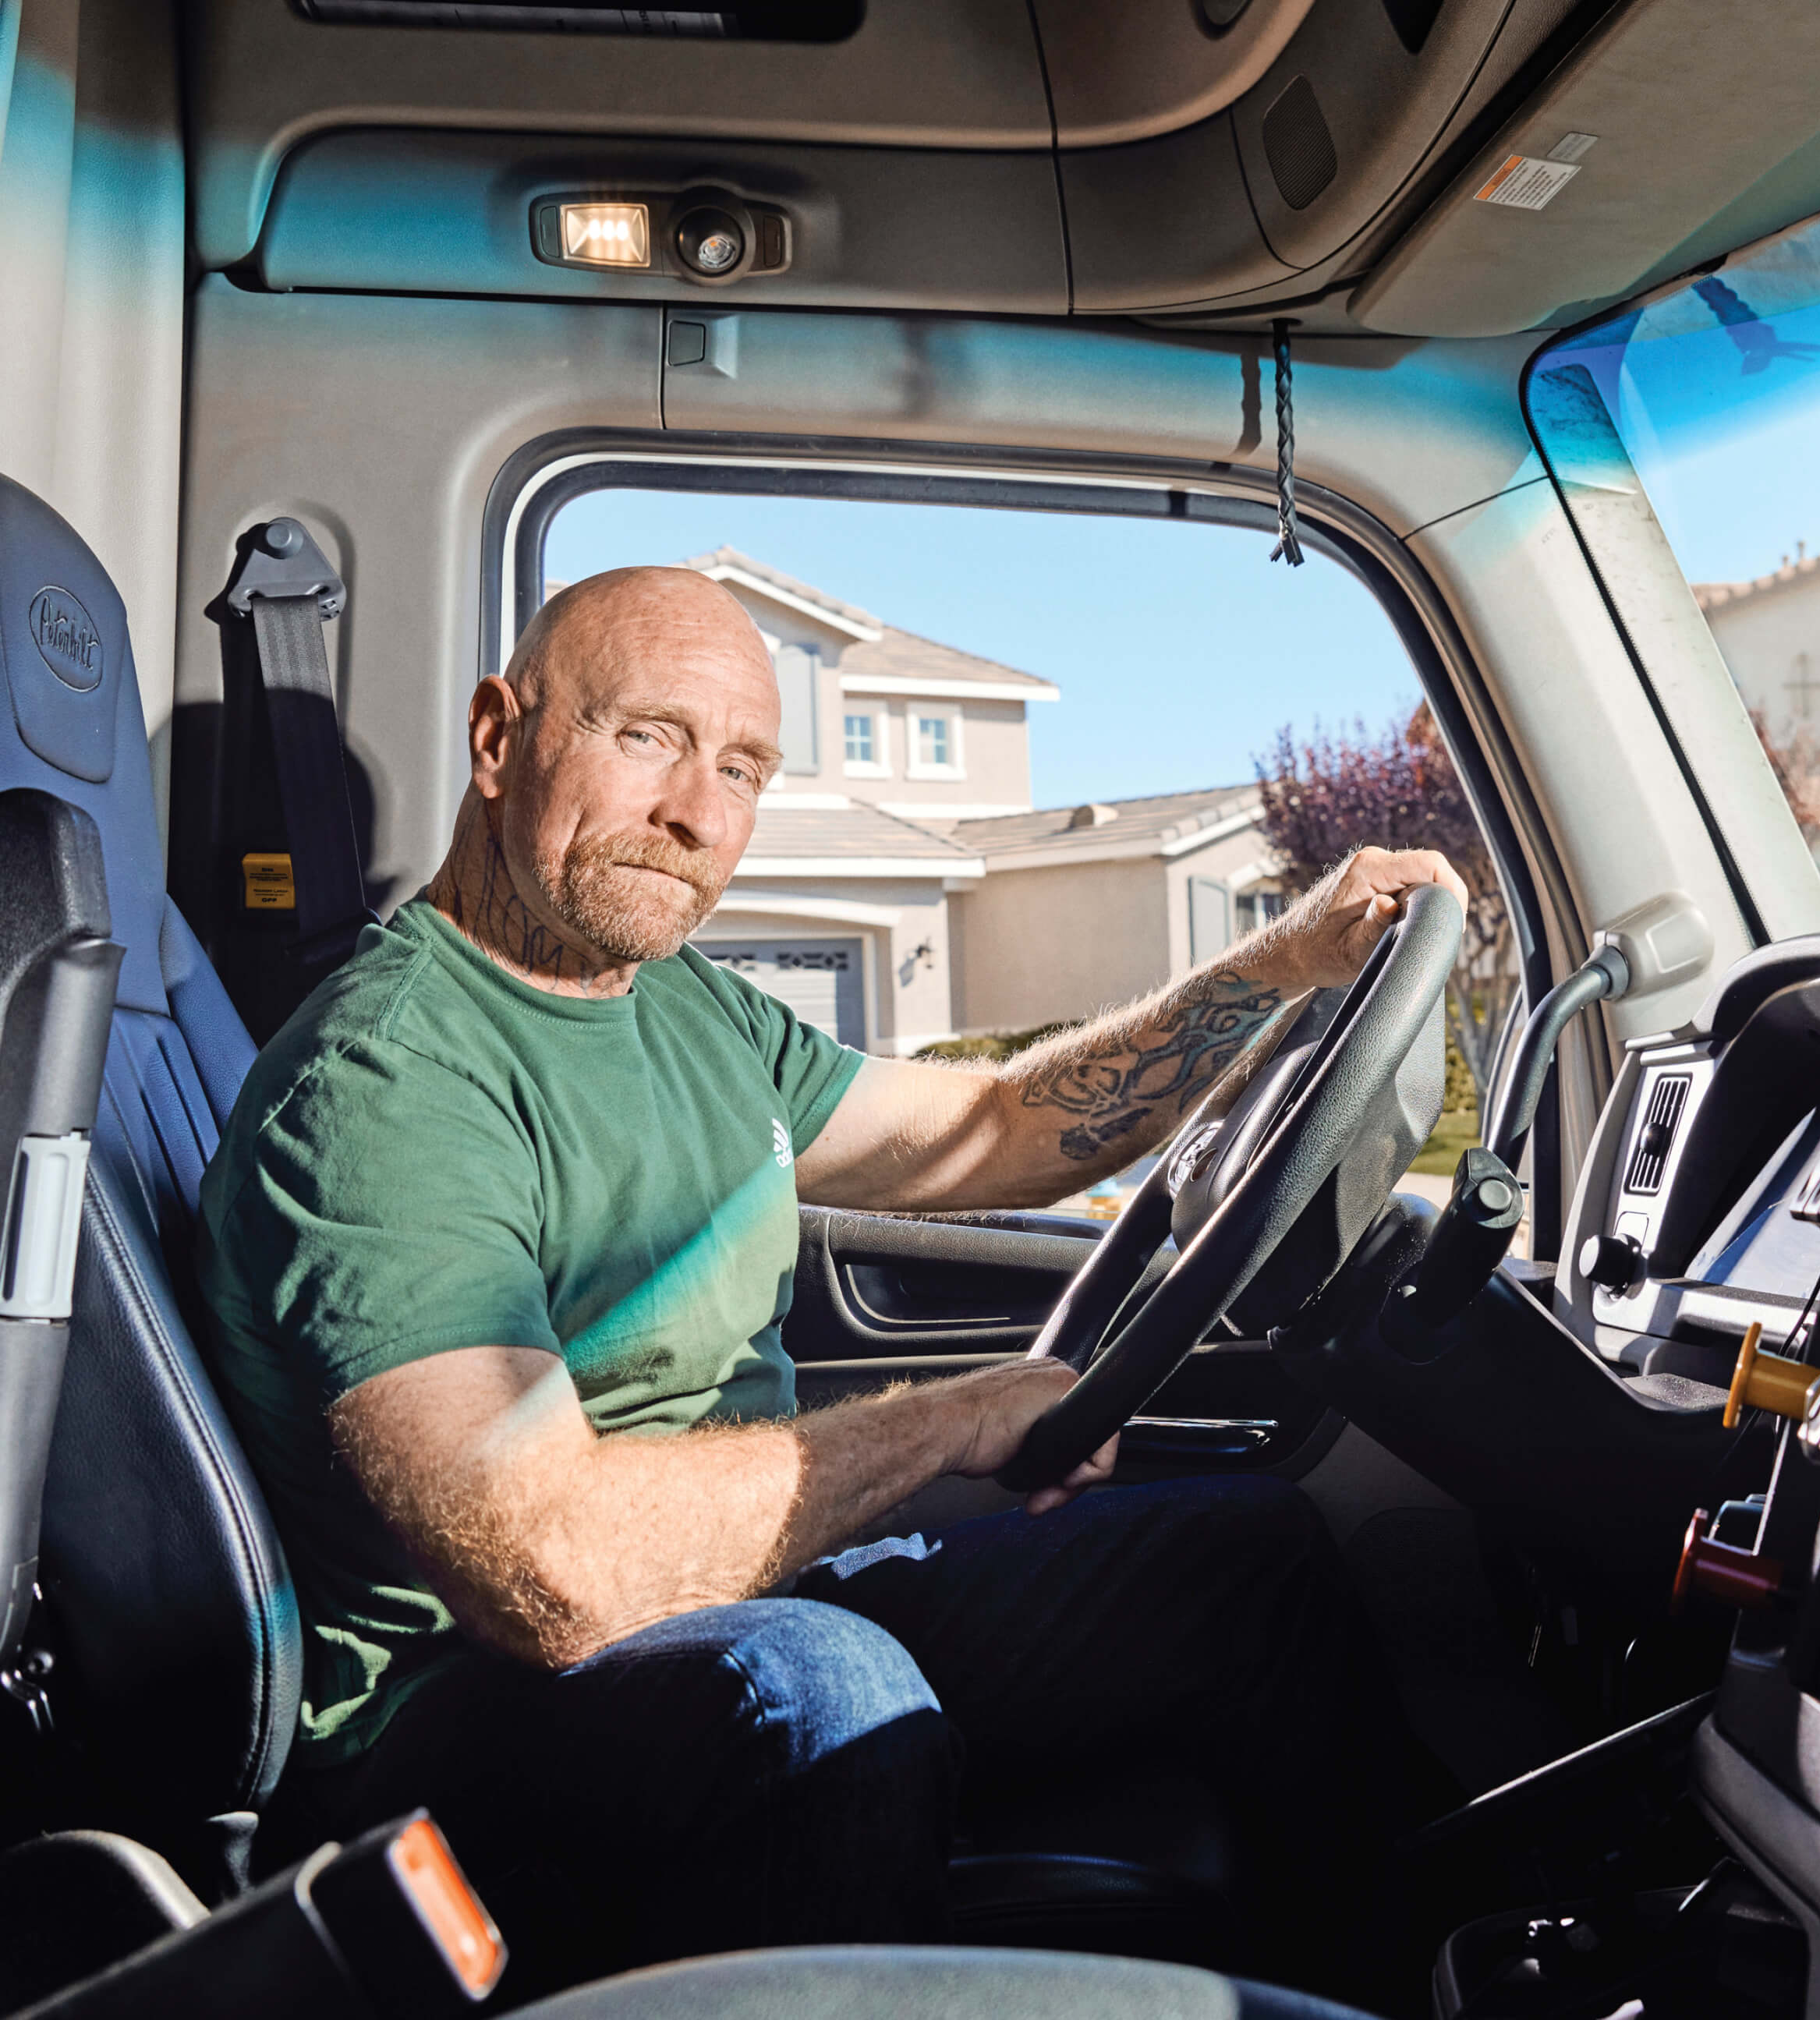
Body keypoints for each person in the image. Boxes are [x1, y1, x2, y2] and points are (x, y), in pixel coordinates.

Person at [198, 567, 1466, 2001]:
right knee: (825, 1696)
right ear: (499, 740)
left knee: (1253, 1565)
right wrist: (948, 1420)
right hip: (457, 1722)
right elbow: (551, 1574)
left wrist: (1283, 966)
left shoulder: (679, 1003)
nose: (697, 815)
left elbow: (1000, 1128)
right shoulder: (389, 1083)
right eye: (646, 738)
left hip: (725, 1605)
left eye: (741, 766)